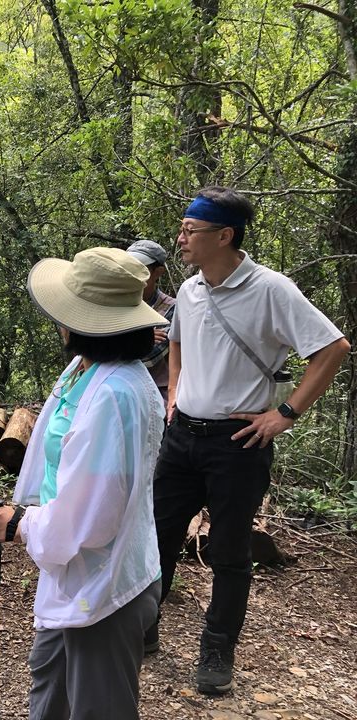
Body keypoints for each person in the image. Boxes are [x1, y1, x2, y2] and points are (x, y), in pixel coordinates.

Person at [152, 186, 350, 695]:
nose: (181, 240)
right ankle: (142, 631)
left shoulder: (271, 289)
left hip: (237, 442)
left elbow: (333, 348)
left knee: (230, 551)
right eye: (181, 228)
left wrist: (284, 414)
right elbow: (175, 340)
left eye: (190, 231)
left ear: (225, 235)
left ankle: (217, 653)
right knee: (156, 537)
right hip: (183, 437)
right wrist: (174, 394)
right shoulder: (192, 289)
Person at [0, 247, 168, 720]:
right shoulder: (88, 369)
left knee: (96, 708)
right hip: (82, 577)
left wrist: (20, 522)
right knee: (50, 687)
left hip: (102, 590)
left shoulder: (115, 396)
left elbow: (90, 518)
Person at [125, 240, 176, 405]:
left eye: (141, 268)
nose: (132, 274)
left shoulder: (172, 309)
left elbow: (148, 357)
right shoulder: (115, 303)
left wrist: (114, 337)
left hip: (154, 397)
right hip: (115, 393)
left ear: (158, 272)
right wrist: (141, 337)